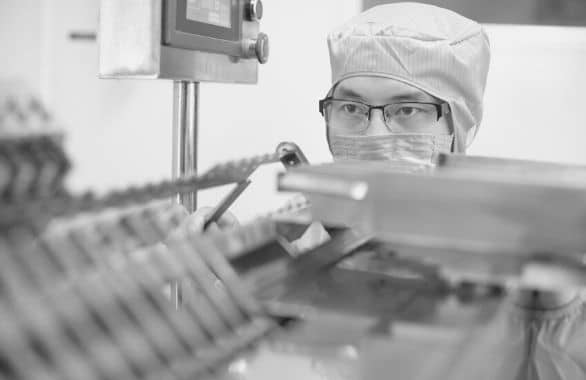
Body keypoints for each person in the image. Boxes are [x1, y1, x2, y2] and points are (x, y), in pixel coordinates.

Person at [187, 3, 586, 379]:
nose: (375, 134)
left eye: (407, 110)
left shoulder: (519, 261)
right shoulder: (303, 238)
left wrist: (556, 307)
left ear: (457, 127)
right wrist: (236, 279)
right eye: (352, 108)